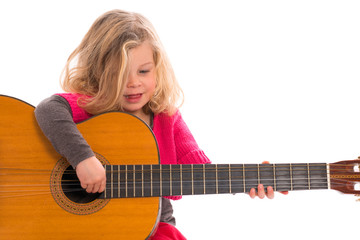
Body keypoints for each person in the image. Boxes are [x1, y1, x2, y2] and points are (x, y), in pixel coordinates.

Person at [34, 9, 279, 240]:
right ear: (98, 73)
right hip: (89, 228)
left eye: (143, 71)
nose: (133, 83)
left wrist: (250, 179)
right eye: (120, 73)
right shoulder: (92, 105)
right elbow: (48, 109)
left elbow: (200, 172)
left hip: (150, 228)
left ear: (157, 69)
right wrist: (83, 159)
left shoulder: (166, 116)